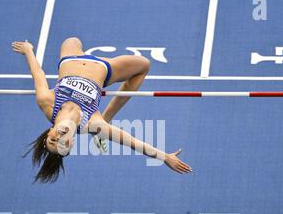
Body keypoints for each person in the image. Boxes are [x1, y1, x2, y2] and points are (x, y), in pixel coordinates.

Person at [12, 37, 192, 183]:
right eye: (62, 144)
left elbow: (38, 74)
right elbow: (135, 143)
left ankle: (105, 119)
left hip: (71, 58)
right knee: (144, 65)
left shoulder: (47, 102)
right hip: (105, 68)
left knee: (71, 40)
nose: (59, 138)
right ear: (71, 143)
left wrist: (28, 51)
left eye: (53, 140)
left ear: (49, 132)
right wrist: (165, 157)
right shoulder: (91, 123)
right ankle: (107, 117)